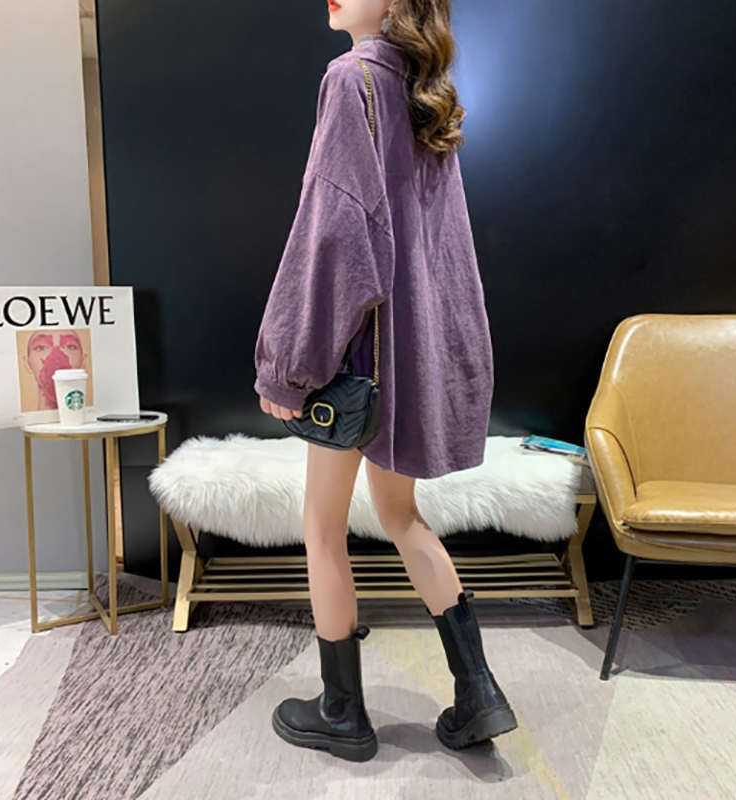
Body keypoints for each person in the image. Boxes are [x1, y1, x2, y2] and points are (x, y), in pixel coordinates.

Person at [253, 0, 517, 762]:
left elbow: (331, 236)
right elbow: (442, 250)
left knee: (322, 527)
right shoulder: (425, 95)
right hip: (409, 355)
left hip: (357, 361)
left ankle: (342, 712)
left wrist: (289, 364)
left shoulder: (353, 79)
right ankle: (479, 692)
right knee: (402, 518)